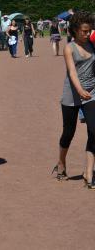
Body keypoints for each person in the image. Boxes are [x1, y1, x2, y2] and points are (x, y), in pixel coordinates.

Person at [53, 11, 95, 189]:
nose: (87, 34)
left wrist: (88, 91)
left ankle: (89, 173)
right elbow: (72, 72)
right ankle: (61, 163)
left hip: (92, 92)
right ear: (75, 30)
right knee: (68, 133)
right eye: (84, 31)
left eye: (89, 31)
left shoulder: (92, 45)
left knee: (94, 131)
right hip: (72, 93)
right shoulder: (69, 48)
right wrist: (80, 90)